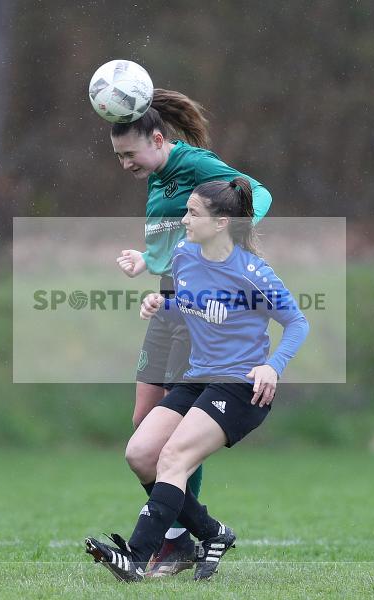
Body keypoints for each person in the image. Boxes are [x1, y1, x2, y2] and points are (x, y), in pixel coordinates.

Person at [85, 177, 309, 581]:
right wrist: (163, 304)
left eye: (193, 213)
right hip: (197, 378)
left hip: (240, 387)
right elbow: (191, 307)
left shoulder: (252, 272)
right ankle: (212, 533)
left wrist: (273, 366)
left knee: (173, 459)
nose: (185, 219)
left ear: (222, 223)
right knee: (140, 455)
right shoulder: (185, 256)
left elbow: (297, 322)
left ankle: (136, 558)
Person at [111, 88, 273, 576]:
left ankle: (174, 542)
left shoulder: (196, 164)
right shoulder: (155, 176)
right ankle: (190, 533)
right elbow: (166, 243)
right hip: (168, 304)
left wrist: (225, 245)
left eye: (130, 155)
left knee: (173, 440)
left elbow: (257, 194)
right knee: (144, 423)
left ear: (158, 139)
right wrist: (147, 260)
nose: (125, 165)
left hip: (197, 313)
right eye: (118, 157)